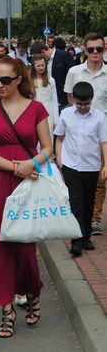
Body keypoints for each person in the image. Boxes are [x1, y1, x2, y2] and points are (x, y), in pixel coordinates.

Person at [0, 56, 53, 338]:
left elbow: (48, 147)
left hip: (28, 182)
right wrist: (13, 166)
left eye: (5, 80)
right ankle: (6, 310)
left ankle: (32, 290)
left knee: (24, 245)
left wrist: (32, 164)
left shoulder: (36, 109)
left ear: (19, 79)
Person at [55, 82, 107, 256]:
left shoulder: (100, 117)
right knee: (76, 202)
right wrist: (60, 161)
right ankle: (76, 241)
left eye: (86, 104)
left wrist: (105, 164)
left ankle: (86, 237)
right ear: (73, 99)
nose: (83, 107)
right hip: (71, 165)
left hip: (91, 166)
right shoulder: (66, 114)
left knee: (88, 202)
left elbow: (104, 142)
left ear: (91, 100)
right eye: (79, 104)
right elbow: (60, 138)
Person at [62, 32, 107, 236]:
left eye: (99, 48)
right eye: (91, 49)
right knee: (78, 176)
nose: (95, 52)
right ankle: (79, 221)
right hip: (79, 128)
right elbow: (71, 99)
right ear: (84, 50)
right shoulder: (74, 72)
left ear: (104, 49)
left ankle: (95, 218)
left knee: (100, 176)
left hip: (103, 127)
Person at [31, 55, 58, 143]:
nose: (41, 68)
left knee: (48, 137)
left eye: (42, 65)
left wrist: (56, 120)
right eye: (38, 66)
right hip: (33, 111)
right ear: (34, 66)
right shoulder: (30, 80)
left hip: (48, 111)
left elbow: (54, 100)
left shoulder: (51, 80)